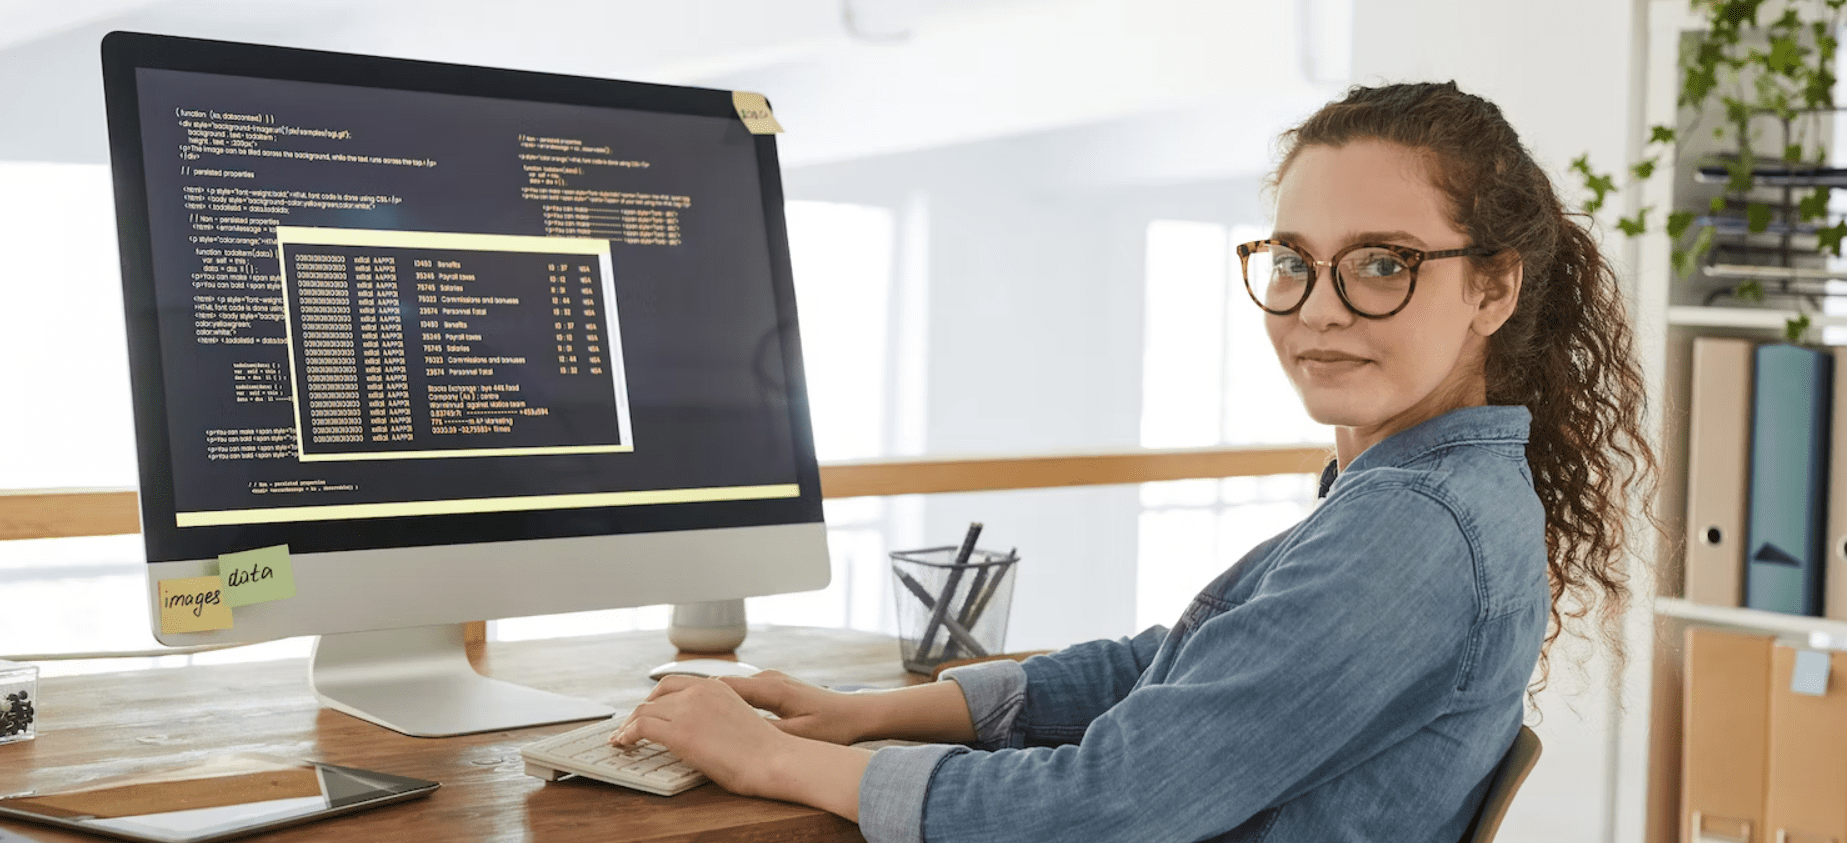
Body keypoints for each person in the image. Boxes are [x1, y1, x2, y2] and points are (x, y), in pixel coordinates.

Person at [606, 81, 1657, 842]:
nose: (1318, 310)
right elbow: (1181, 666)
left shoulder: (1416, 527)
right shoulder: (1410, 490)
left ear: (1491, 290)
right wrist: (876, 710)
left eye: (1379, 265)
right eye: (1292, 263)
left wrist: (776, 760)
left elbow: (1112, 807)